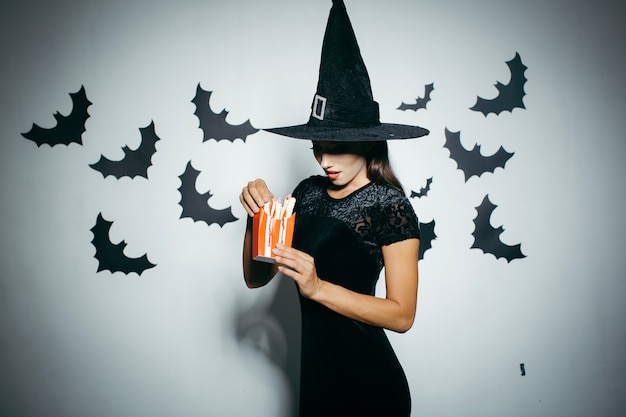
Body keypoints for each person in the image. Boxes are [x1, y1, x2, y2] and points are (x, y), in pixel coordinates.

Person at [239, 1, 429, 415]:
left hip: (370, 383)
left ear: (367, 141)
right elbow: (258, 277)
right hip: (317, 378)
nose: (325, 161)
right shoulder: (307, 192)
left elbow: (401, 316)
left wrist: (318, 287)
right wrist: (257, 218)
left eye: (337, 147)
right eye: (318, 148)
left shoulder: (390, 206)